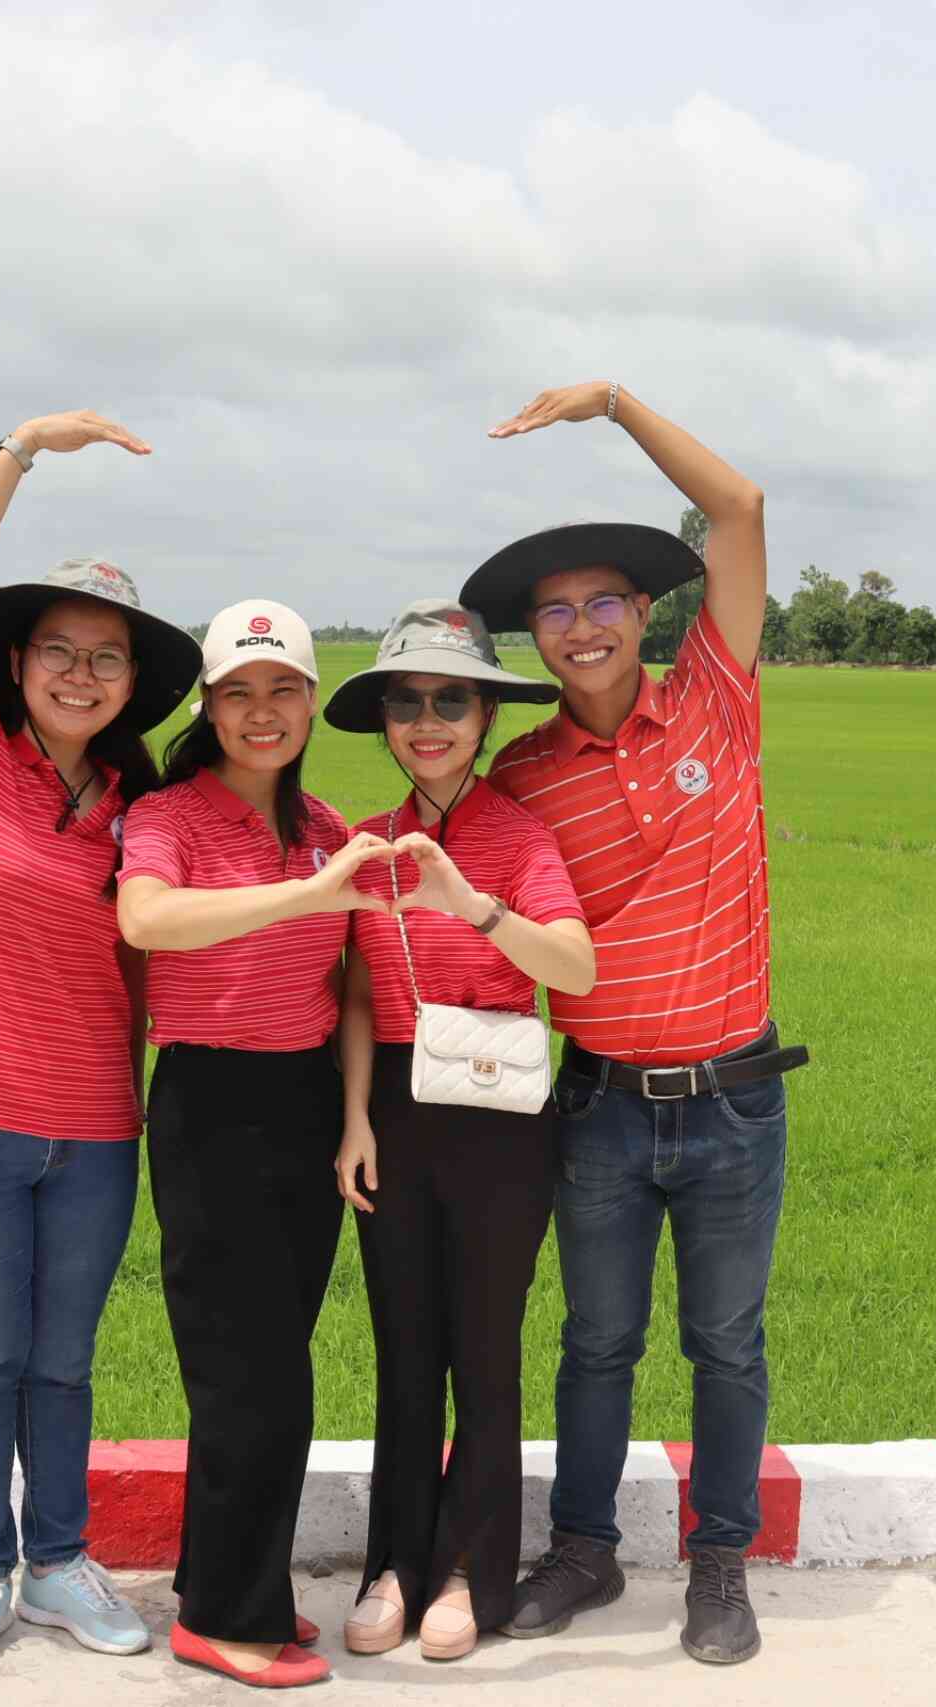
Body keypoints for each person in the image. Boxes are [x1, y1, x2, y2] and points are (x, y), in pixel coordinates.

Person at [460, 381, 808, 1667]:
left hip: (734, 1099)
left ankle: (719, 1565)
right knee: (596, 1341)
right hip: (600, 1104)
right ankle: (585, 1551)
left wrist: (613, 404)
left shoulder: (718, 692)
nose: (581, 628)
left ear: (645, 613)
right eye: (554, 612)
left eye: (603, 601)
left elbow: (739, 508)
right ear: (534, 639)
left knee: (725, 1345)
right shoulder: (520, 778)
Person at [0, 410, 204, 1682]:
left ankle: (60, 1562)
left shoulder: (140, 809)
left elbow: (163, 957)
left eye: (107, 660)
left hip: (92, 1136)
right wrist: (22, 447)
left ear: (132, 685)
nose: (82, 675)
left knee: (63, 1367)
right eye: (61, 651)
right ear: (17, 661)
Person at [114, 599, 397, 1690]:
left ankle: (227, 1582)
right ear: (208, 706)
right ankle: (223, 1619)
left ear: (312, 702)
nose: (262, 711)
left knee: (273, 1363)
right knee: (247, 1376)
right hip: (211, 1103)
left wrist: (355, 1114)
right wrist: (305, 893)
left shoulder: (327, 827)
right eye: (239, 692)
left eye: (283, 689)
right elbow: (147, 919)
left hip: (306, 1101)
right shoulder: (170, 816)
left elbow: (354, 983)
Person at [320, 600, 596, 1662]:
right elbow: (355, 991)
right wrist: (354, 1117)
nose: (427, 721)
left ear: (484, 718)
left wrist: (469, 901)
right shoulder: (367, 844)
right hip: (394, 1106)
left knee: (484, 1351)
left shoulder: (520, 839)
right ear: (385, 723)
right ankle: (394, 1562)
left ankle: (471, 1570)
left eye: (450, 701)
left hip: (498, 1112)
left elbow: (573, 968)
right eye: (407, 702)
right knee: (405, 1350)